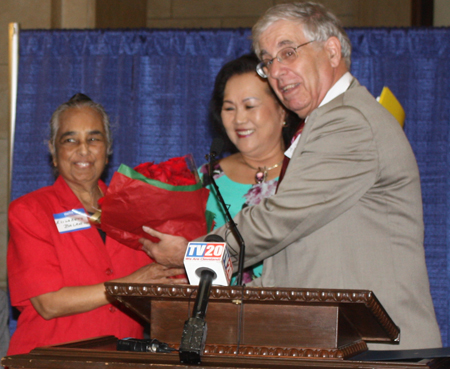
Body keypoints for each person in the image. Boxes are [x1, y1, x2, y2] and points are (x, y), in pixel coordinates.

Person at [140, 2, 442, 350]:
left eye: (287, 53)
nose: (277, 71)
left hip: (378, 348)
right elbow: (295, 257)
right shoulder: (321, 125)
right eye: (268, 61)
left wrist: (197, 255)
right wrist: (208, 301)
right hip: (341, 342)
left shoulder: (348, 122)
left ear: (331, 50)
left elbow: (282, 219)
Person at [7, 93, 186, 356]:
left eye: (93, 138)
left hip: (123, 359)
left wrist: (183, 258)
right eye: (70, 140)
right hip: (49, 359)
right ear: (53, 151)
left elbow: (162, 290)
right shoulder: (30, 211)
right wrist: (127, 285)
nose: (83, 149)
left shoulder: (135, 210)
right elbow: (48, 303)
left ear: (108, 148)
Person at [198, 53, 301, 283]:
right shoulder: (206, 178)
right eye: (229, 108)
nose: (239, 120)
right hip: (215, 313)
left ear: (282, 110)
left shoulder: (305, 175)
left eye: (249, 106)